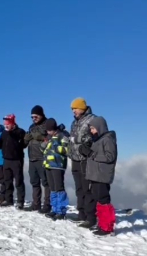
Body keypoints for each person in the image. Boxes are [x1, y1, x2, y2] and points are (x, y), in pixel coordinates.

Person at [79, 116, 117, 236]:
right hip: (96, 175)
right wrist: (84, 150)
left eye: (93, 128)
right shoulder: (97, 140)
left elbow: (110, 156)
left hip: (102, 175)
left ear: (100, 127)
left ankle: (106, 227)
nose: (92, 131)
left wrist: (91, 154)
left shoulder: (108, 139)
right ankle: (103, 225)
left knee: (103, 200)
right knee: (99, 201)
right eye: (91, 128)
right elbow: (93, 155)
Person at [68, 97, 97, 228]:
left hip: (85, 159)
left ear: (82, 108)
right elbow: (71, 139)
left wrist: (77, 139)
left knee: (87, 189)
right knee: (79, 188)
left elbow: (94, 137)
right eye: (72, 109)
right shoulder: (75, 122)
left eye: (75, 108)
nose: (73, 111)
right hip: (75, 158)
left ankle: (91, 217)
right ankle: (81, 213)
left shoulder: (92, 119)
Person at [0, 114, 26, 208]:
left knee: (19, 181)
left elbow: (22, 145)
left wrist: (12, 134)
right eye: (5, 123)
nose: (6, 125)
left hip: (16, 160)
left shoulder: (20, 132)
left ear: (13, 123)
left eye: (7, 123)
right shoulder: (4, 133)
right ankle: (9, 200)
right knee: (7, 181)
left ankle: (20, 201)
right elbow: (0, 145)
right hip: (6, 160)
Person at [23, 105, 51, 213]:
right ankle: (36, 204)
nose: (34, 119)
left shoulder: (47, 124)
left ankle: (47, 205)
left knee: (46, 182)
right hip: (32, 158)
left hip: (42, 157)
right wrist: (25, 140)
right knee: (34, 182)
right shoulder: (31, 127)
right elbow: (26, 143)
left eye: (35, 116)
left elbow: (51, 137)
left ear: (41, 115)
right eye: (32, 117)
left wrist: (41, 137)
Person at [41, 118, 70, 220]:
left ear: (54, 129)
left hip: (58, 165)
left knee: (59, 188)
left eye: (50, 130)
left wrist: (56, 146)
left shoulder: (62, 135)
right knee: (52, 188)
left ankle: (61, 211)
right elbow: (45, 149)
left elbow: (67, 149)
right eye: (47, 131)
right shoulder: (50, 137)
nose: (48, 132)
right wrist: (44, 145)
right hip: (48, 165)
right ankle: (54, 209)